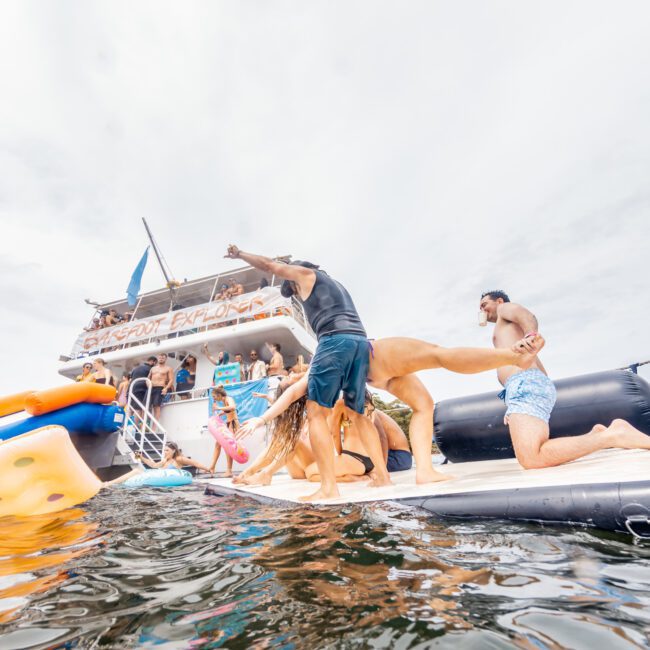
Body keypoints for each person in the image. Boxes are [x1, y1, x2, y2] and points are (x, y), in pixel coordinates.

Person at [238, 333, 546, 486]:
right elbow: (291, 394)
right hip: (375, 362)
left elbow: (291, 394)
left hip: (373, 369)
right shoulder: (318, 371)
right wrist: (264, 418)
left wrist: (263, 418)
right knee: (439, 357)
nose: (292, 374)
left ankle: (425, 469)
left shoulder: (320, 375)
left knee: (424, 403)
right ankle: (509, 356)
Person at [225, 245, 392, 502]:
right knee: (358, 414)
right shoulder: (336, 284)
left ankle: (328, 488)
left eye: (290, 289)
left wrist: (240, 255)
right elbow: (291, 392)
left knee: (315, 413)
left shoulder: (304, 275)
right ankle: (382, 476)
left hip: (334, 341)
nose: (295, 294)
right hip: (359, 343)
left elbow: (271, 267)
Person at [480, 290, 650, 469]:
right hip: (523, 385)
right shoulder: (507, 330)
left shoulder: (504, 309)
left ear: (499, 301)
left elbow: (525, 314)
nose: (482, 310)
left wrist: (531, 336)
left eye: (484, 305)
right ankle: (599, 435)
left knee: (532, 458)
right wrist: (515, 399)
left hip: (524, 383)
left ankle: (611, 435)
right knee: (531, 456)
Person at [103, 441, 212, 486]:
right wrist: (142, 458)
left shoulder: (179, 459)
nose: (165, 453)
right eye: (164, 450)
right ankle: (110, 483)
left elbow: (195, 463)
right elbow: (154, 466)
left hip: (168, 480)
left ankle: (110, 483)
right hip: (157, 477)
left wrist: (208, 469)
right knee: (136, 470)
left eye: (167, 451)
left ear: (174, 450)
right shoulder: (165, 460)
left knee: (137, 471)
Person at [209, 386, 237, 477]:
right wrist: (223, 412)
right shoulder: (224, 401)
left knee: (228, 447)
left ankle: (229, 470)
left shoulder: (229, 398)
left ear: (220, 395)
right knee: (217, 444)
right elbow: (229, 410)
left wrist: (218, 409)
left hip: (233, 425)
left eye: (214, 396)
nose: (214, 399)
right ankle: (212, 467)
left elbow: (233, 407)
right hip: (228, 424)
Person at [149, 353, 174, 423]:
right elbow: (148, 378)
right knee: (147, 406)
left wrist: (166, 388)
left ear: (166, 359)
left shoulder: (168, 368)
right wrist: (148, 385)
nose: (161, 358)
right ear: (157, 358)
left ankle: (153, 428)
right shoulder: (153, 368)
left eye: (163, 357)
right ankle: (145, 426)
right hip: (151, 388)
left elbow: (171, 380)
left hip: (160, 388)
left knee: (157, 407)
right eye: (160, 357)